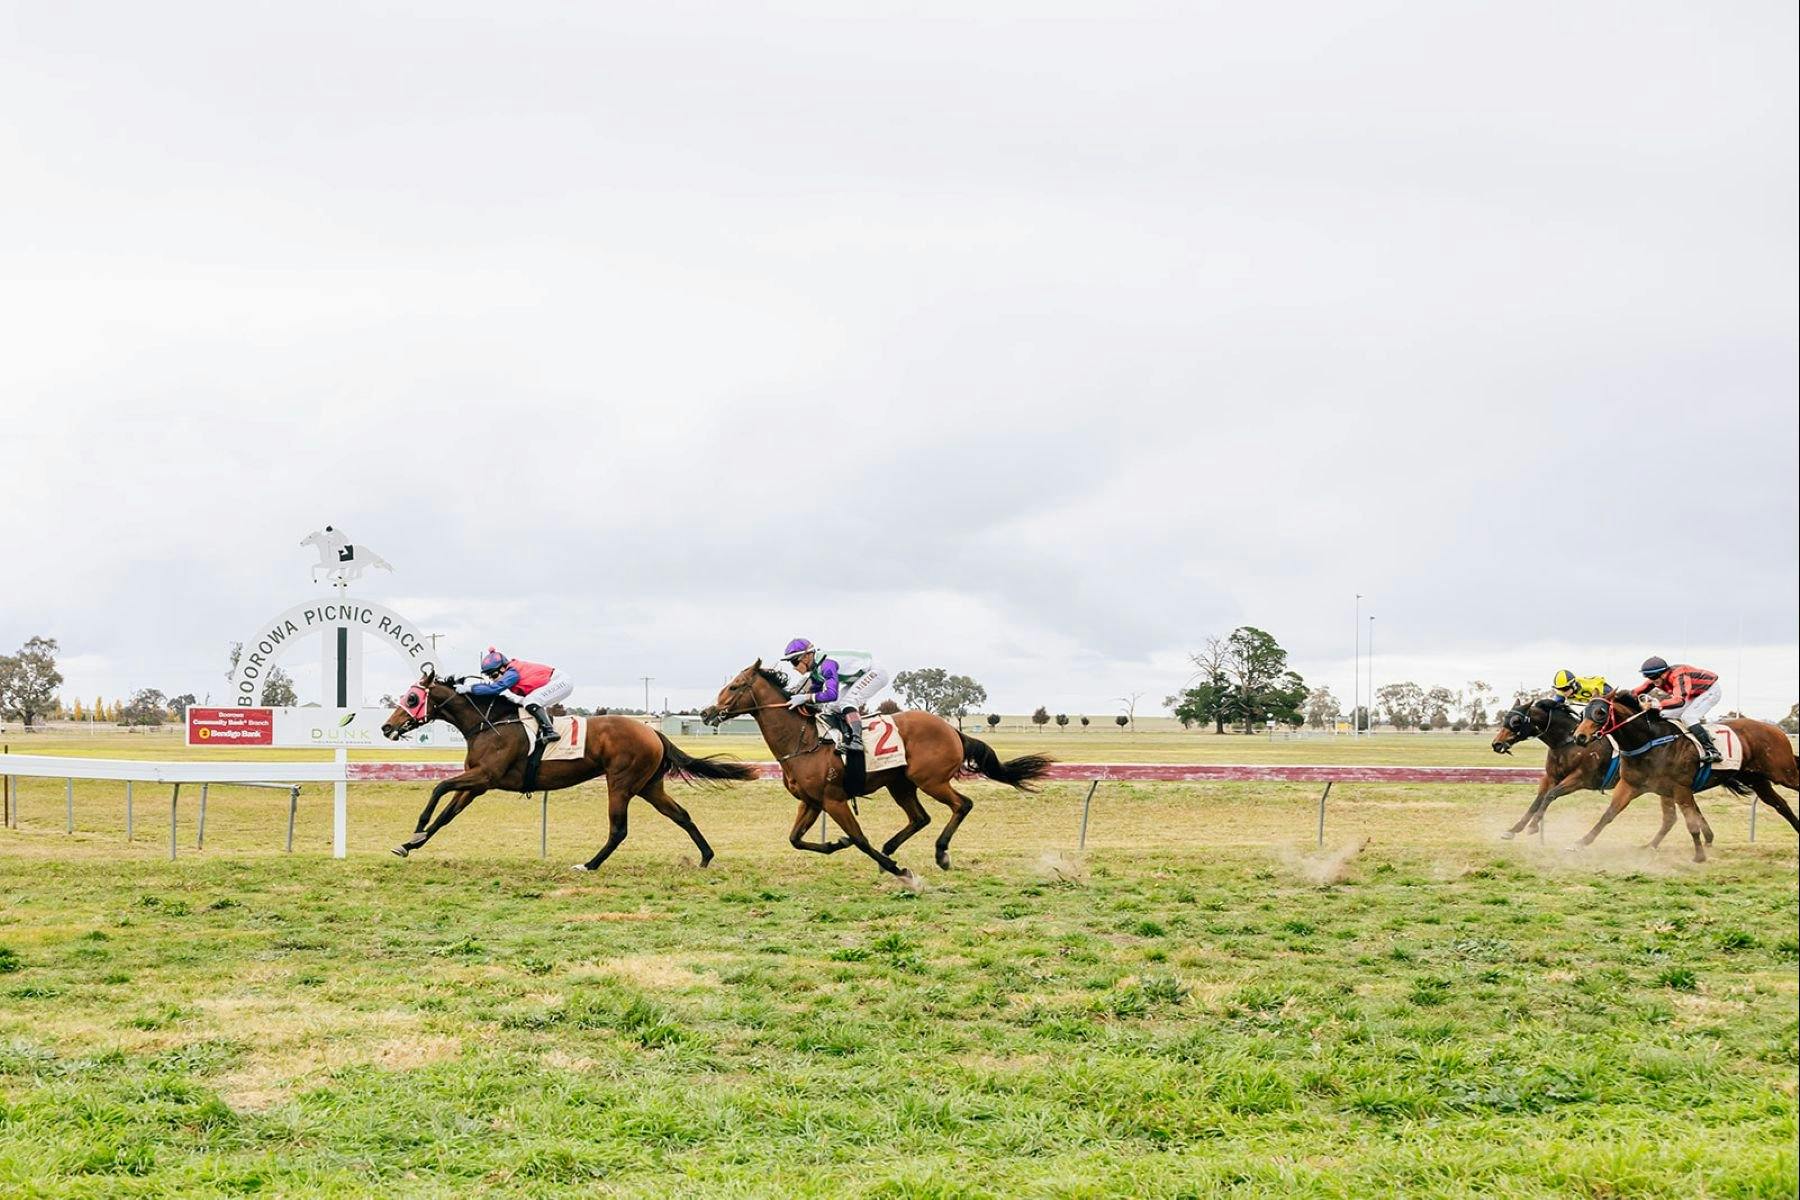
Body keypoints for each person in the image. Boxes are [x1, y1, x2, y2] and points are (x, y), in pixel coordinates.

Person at [779, 638, 889, 752]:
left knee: (848, 702)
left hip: (875, 672)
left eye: (794, 662)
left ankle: (857, 741)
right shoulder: (816, 668)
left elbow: (832, 694)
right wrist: (801, 698)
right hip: (859, 677)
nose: (794, 667)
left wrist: (805, 698)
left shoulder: (827, 664)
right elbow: (815, 691)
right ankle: (846, 737)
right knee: (832, 707)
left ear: (806, 657)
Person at [457, 647, 571, 744]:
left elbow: (495, 689)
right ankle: (542, 730)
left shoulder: (512, 673)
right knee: (522, 702)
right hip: (555, 682)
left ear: (503, 668)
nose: (493, 679)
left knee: (530, 701)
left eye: (494, 675)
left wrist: (470, 688)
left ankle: (550, 731)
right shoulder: (510, 669)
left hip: (561, 681)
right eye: (490, 676)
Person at [1630, 656, 1722, 764]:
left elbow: (1679, 701)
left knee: (1688, 717)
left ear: (1664, 673)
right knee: (1663, 714)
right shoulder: (1656, 678)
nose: (1652, 680)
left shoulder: (1679, 676)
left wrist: (1656, 705)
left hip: (1709, 691)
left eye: (1654, 676)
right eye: (1647, 676)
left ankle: (1712, 751)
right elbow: (1634, 693)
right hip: (1692, 693)